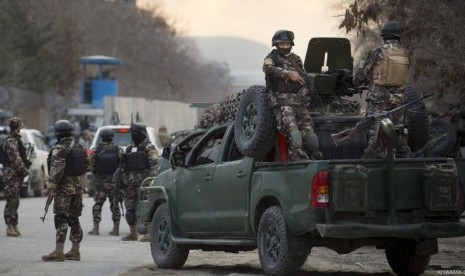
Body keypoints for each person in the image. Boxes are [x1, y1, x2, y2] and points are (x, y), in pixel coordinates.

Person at [354, 20, 411, 158]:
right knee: (397, 131)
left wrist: (358, 80)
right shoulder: (405, 53)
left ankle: (372, 161)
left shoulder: (376, 52)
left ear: (384, 36)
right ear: (399, 37)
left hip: (378, 101)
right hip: (398, 101)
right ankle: (402, 157)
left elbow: (359, 76)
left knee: (376, 133)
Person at [263, 29, 322, 161]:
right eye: (282, 44)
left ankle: (315, 157)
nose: (285, 47)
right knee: (294, 133)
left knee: (310, 135)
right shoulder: (271, 58)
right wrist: (288, 73)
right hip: (281, 100)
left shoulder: (296, 59)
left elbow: (304, 76)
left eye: (287, 44)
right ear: (276, 45)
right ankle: (297, 157)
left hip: (298, 100)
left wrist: (307, 88)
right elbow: (268, 68)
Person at [42, 119, 91, 262]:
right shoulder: (79, 147)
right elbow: (87, 167)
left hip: (63, 190)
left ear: (58, 134)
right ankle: (75, 251)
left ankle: (59, 252)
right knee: (74, 218)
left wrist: (49, 187)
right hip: (77, 188)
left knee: (61, 217)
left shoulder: (59, 149)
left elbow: (57, 169)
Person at [120, 123, 158, 241]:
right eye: (132, 134)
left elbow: (155, 165)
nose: (133, 136)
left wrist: (152, 180)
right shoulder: (129, 148)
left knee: (146, 208)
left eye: (135, 133)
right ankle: (133, 233)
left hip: (144, 183)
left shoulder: (148, 147)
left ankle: (149, 233)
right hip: (130, 185)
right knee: (130, 209)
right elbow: (123, 166)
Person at [87, 129, 124, 236]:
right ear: (112, 138)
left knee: (98, 205)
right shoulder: (118, 150)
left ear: (101, 138)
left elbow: (91, 167)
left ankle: (95, 229)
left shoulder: (95, 151)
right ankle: (116, 229)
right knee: (115, 205)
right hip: (114, 183)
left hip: (100, 183)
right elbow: (122, 166)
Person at [2, 117, 30, 237]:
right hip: (11, 174)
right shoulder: (11, 141)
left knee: (15, 200)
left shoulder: (16, 140)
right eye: (20, 126)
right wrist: (24, 170)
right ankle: (10, 226)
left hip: (15, 173)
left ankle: (14, 225)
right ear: (17, 127)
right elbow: (16, 159)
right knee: (12, 200)